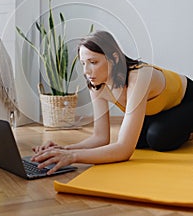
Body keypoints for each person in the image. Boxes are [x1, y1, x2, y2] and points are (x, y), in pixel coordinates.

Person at [31, 30, 193, 175]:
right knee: (140, 141)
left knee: (157, 137)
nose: (86, 71)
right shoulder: (97, 83)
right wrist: (63, 150)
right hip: (158, 111)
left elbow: (123, 150)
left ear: (114, 58)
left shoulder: (139, 76)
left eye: (93, 62)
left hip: (187, 99)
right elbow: (100, 137)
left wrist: (73, 157)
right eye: (83, 63)